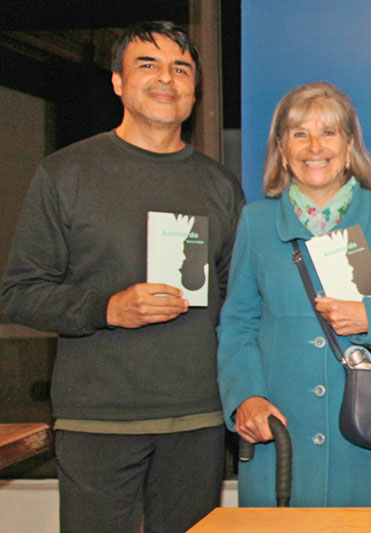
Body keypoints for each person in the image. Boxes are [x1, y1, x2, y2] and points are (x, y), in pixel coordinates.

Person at [0, 21, 244, 532]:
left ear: (194, 89)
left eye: (181, 68)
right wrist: (107, 309)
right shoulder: (65, 173)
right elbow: (19, 294)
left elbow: (237, 305)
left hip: (198, 419)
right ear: (117, 81)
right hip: (97, 420)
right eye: (147, 65)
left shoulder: (220, 185)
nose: (167, 79)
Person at [217, 82, 371, 506]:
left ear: (349, 144)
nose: (314, 146)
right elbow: (238, 325)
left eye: (328, 132)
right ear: (281, 147)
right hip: (284, 435)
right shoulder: (256, 223)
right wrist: (246, 396)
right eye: (299, 133)